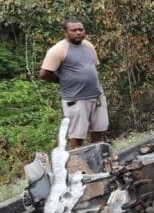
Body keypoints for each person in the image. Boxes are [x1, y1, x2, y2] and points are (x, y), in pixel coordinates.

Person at [39, 19, 109, 149]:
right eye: (74, 30)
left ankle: (99, 158)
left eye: (80, 30)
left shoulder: (88, 46)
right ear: (65, 32)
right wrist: (61, 80)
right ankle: (78, 162)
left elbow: (92, 67)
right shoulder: (58, 50)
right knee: (77, 134)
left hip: (96, 96)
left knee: (99, 129)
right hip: (76, 99)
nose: (78, 33)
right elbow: (44, 73)